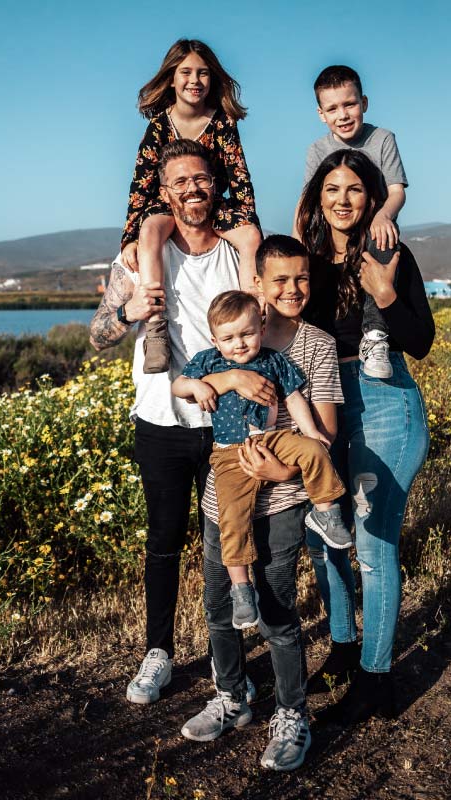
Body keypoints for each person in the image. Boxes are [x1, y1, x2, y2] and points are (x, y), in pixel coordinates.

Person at [89, 139, 269, 706]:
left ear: (214, 184)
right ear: (164, 193)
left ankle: (230, 667)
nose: (193, 189)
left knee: (229, 544)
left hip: (228, 426)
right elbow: (97, 337)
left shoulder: (239, 255)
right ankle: (157, 653)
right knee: (164, 542)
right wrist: (127, 311)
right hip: (161, 422)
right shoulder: (141, 257)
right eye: (180, 183)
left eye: (201, 179)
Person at [180, 235, 344, 771]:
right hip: (221, 494)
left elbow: (324, 428)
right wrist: (227, 376)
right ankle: (232, 696)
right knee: (220, 603)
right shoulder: (229, 336)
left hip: (284, 497)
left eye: (301, 279)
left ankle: (292, 712)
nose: (292, 289)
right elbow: (184, 386)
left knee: (276, 610)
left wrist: (281, 470)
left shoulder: (314, 345)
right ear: (257, 285)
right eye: (280, 279)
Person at [296, 149, 435, 725]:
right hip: (324, 400)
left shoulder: (390, 254)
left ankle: (377, 679)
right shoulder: (305, 260)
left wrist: (382, 290)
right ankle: (344, 649)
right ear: (317, 197)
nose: (343, 200)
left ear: (372, 197)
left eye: (355, 189)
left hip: (384, 402)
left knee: (374, 548)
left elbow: (420, 339)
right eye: (332, 189)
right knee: (324, 534)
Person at [173, 289, 351, 629]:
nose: (239, 344)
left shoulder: (273, 360)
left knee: (315, 450)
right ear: (215, 339)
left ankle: (326, 512)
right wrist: (197, 388)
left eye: (247, 334)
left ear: (262, 328)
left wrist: (311, 431)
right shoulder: (209, 361)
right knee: (232, 517)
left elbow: (295, 398)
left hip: (274, 438)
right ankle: (242, 588)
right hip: (229, 453)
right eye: (229, 338)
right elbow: (178, 385)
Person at [120, 39, 262, 374]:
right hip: (167, 205)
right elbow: (140, 184)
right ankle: (156, 327)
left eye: (202, 73)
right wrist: (129, 237)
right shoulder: (158, 126)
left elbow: (239, 176)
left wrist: (247, 222)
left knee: (251, 237)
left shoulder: (223, 122)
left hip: (214, 204)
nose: (194, 80)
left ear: (212, 79)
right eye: (186, 72)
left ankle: (254, 313)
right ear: (171, 78)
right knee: (151, 229)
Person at [294, 64, 409, 380]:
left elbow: (397, 191)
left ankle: (375, 336)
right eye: (333, 108)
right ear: (321, 114)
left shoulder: (382, 139)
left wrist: (384, 214)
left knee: (383, 237)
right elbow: (306, 201)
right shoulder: (317, 150)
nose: (342, 114)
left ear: (364, 104)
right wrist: (295, 244)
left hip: (373, 230)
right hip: (332, 233)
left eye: (349, 104)